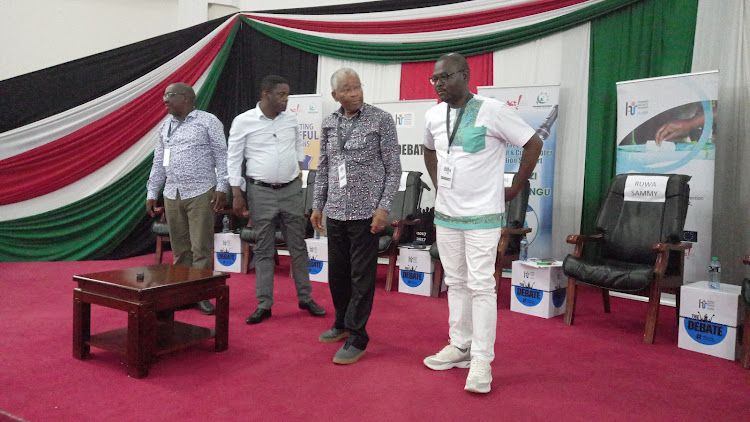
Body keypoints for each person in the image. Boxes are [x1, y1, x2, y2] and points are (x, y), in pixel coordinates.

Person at [422, 53, 542, 393]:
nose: (438, 83)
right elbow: (429, 150)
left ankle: (481, 360)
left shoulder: (494, 110)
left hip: (482, 217)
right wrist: (436, 183)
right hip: (446, 215)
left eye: (444, 77)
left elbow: (533, 142)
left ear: (464, 74)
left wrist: (516, 186)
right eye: (434, 79)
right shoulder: (433, 115)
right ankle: (459, 345)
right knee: (456, 282)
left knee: (481, 286)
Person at [310, 68, 402, 365]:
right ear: (335, 95)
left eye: (357, 87)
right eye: (347, 90)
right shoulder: (328, 123)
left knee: (361, 277)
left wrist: (384, 207)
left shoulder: (381, 119)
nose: (354, 93)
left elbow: (393, 168)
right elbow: (323, 167)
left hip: (367, 212)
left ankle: (358, 336)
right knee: (337, 274)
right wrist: (317, 205)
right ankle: (340, 322)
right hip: (336, 210)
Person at [227, 75, 326, 324]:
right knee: (263, 248)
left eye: (287, 95)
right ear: (265, 94)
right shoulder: (243, 121)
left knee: (298, 246)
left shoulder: (291, 120)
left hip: (292, 190)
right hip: (260, 191)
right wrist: (237, 193)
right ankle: (264, 304)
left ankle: (305, 298)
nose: (286, 100)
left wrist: (299, 170)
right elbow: (234, 158)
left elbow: (299, 148)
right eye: (281, 95)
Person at [146, 82, 228, 315]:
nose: (165, 99)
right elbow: (159, 162)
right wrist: (152, 192)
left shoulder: (207, 121)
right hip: (172, 193)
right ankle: (182, 294)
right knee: (181, 250)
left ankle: (201, 295)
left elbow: (222, 156)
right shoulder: (165, 126)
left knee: (201, 248)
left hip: (201, 191)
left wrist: (222, 187)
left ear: (187, 98)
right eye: (164, 95)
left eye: (170, 95)